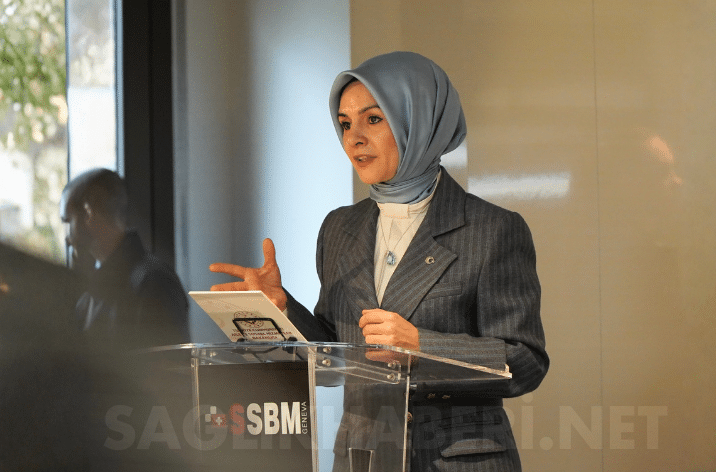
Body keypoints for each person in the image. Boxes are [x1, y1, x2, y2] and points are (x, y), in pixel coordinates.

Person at [209, 51, 548, 471]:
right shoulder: (339, 227)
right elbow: (337, 358)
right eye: (345, 123)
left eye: (372, 119)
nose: (353, 139)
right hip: (363, 458)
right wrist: (280, 309)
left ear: (418, 123)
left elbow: (526, 362)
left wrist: (422, 348)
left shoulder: (492, 229)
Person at [60, 168, 189, 349]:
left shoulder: (154, 283)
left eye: (68, 221)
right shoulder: (93, 294)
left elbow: (170, 364)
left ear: (89, 214)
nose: (67, 238)